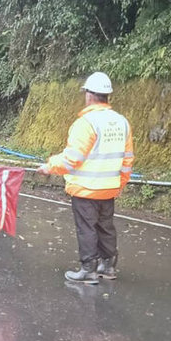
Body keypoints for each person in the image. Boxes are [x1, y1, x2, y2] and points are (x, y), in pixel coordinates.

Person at [37, 72, 134, 283]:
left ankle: (88, 270)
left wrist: (49, 166)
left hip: (85, 188)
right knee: (105, 226)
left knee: (87, 227)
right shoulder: (121, 122)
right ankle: (108, 267)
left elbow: (72, 158)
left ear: (89, 95)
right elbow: (127, 159)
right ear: (108, 96)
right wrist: (120, 184)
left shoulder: (86, 123)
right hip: (109, 187)